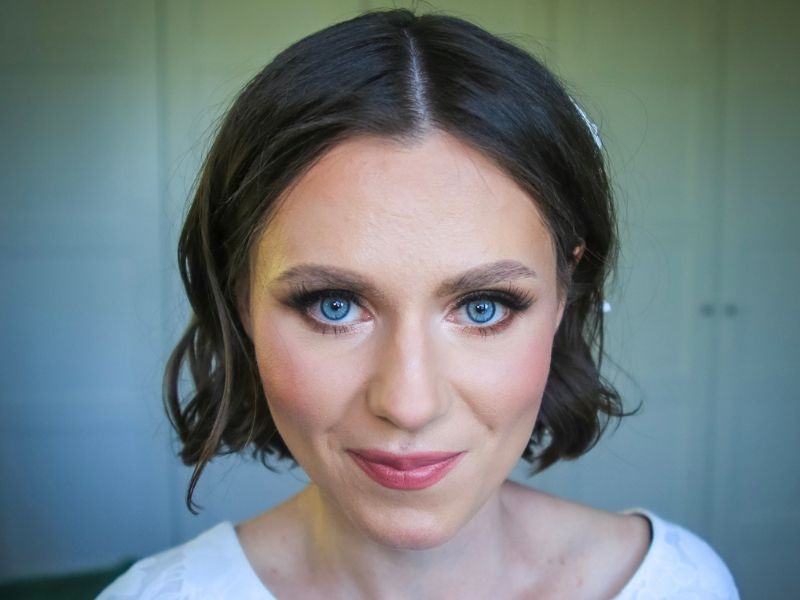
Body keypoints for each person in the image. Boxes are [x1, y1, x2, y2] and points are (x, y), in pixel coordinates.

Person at [100, 9, 738, 599]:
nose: (409, 405)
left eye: (484, 306)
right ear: (241, 300)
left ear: (563, 297)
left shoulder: (679, 587)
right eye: (334, 305)